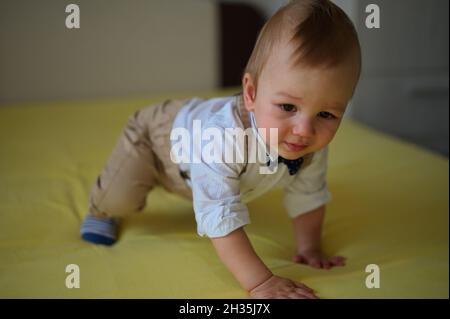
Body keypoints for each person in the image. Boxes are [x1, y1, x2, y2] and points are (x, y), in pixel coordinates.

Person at [80, 0, 361, 299]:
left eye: (327, 115)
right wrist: (261, 282)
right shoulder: (224, 137)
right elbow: (220, 215)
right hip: (156, 141)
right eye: (288, 107)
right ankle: (99, 208)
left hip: (198, 166)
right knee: (120, 198)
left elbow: (308, 195)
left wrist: (309, 248)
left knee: (216, 186)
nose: (305, 130)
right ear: (251, 93)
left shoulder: (308, 144)